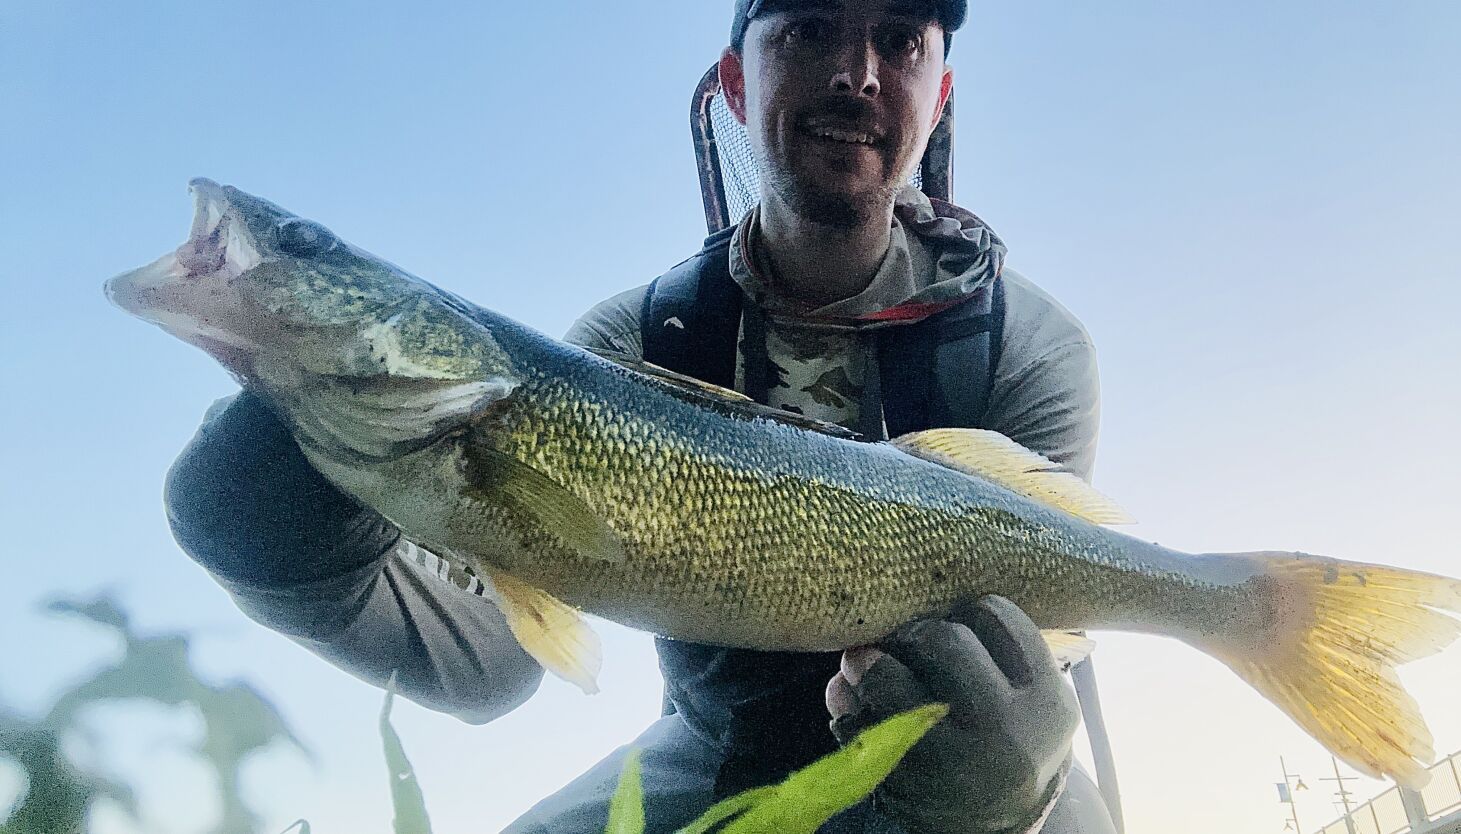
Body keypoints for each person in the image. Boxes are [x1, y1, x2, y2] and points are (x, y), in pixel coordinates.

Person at [163, 1, 1120, 831]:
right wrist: (296, 556)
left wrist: (1011, 793)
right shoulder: (628, 337)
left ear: (937, 98)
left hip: (956, 752)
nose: (854, 71)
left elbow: (1041, 609)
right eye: (808, 27)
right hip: (713, 740)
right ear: (735, 85)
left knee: (1020, 792)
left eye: (901, 39)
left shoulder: (1027, 345)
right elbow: (493, 655)